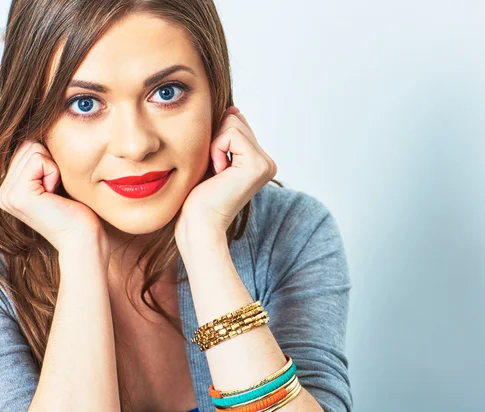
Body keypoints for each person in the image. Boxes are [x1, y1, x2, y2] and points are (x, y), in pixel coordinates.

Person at [0, 1, 352, 411]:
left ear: (215, 96)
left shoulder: (289, 231)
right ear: (32, 121)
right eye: (84, 103)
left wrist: (205, 242)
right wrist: (79, 251)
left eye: (166, 93)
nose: (135, 145)